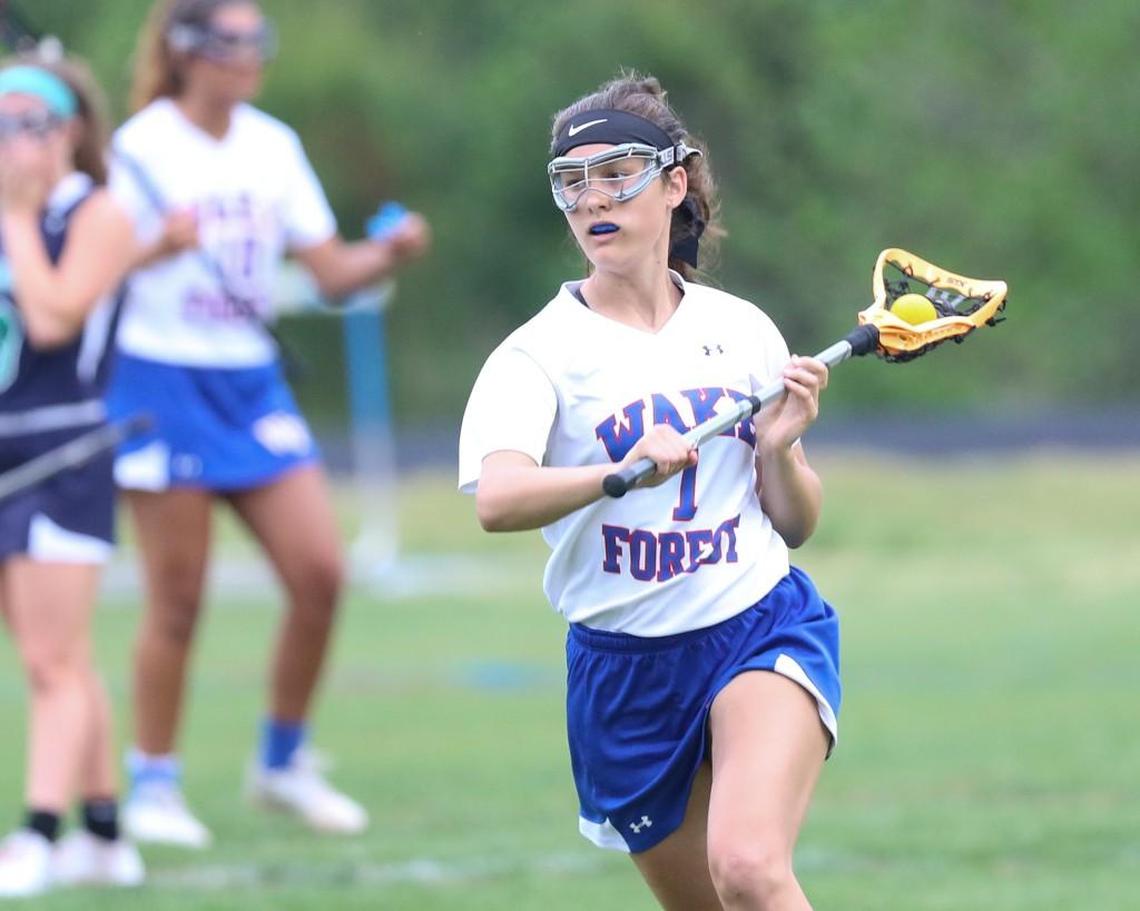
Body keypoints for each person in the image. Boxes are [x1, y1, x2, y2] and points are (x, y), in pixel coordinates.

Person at [459, 72, 839, 911]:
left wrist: (778, 450)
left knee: (748, 868)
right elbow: (498, 497)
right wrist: (618, 473)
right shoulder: (536, 357)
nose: (593, 198)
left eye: (616, 173)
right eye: (572, 181)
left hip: (757, 627)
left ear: (674, 183)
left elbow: (798, 524)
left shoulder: (739, 328)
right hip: (624, 669)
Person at [106, 0, 430, 848]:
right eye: (233, 42)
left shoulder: (273, 146)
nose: (250, 57)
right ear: (186, 50)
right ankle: (154, 781)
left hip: (250, 383)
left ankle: (282, 762)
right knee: (177, 598)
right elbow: (90, 271)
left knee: (320, 571)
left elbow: (328, 272)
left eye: (259, 42)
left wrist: (387, 254)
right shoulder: (138, 148)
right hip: (160, 378)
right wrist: (154, 249)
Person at [0, 52, 144, 897]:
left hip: (66, 455)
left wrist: (18, 216)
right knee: (54, 655)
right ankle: (103, 831)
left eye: (33, 124)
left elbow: (53, 318)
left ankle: (35, 834)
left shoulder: (97, 213)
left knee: (54, 659)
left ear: (71, 133)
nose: (15, 142)